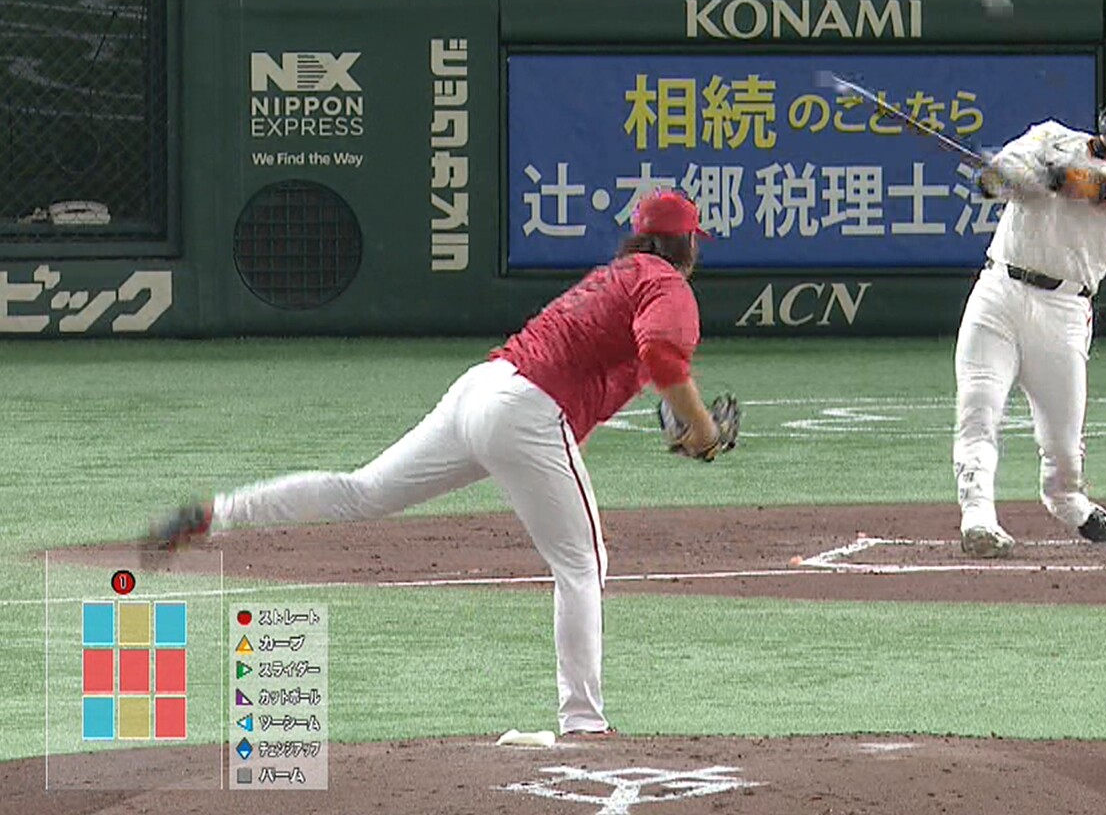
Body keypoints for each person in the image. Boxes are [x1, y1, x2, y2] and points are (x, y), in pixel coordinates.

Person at [147, 191, 738, 736]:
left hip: (481, 389)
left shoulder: (615, 276)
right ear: (685, 244)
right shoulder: (667, 285)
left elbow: (641, 366)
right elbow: (661, 356)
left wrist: (684, 421)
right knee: (582, 564)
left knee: (362, 491)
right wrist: (704, 428)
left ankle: (219, 512)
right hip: (526, 412)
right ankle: (583, 722)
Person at [953, 80, 1106, 558]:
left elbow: (1089, 188)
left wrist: (1045, 176)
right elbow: (993, 181)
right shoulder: (1049, 136)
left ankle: (1066, 500)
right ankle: (978, 515)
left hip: (1064, 311)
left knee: (1063, 446)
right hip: (999, 292)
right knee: (979, 408)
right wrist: (1003, 176)